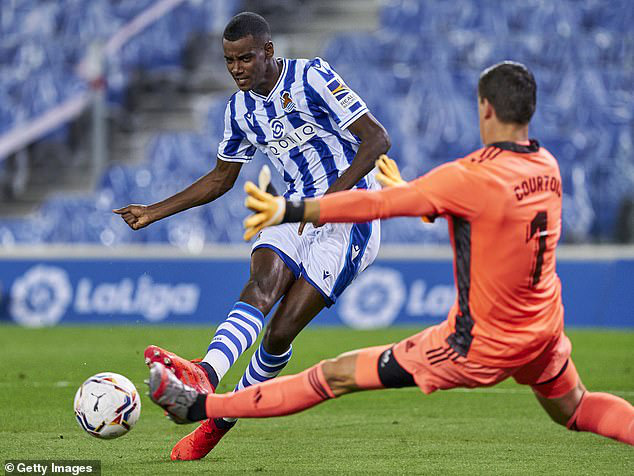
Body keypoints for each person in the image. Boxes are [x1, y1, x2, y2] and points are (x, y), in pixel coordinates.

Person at [147, 61, 634, 447]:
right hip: (544, 334)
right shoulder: (547, 167)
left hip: (477, 343)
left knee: (332, 376)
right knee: (577, 408)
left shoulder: (467, 176)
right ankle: (209, 379)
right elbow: (484, 214)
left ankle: (201, 408)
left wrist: (288, 207)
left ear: (485, 109)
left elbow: (376, 201)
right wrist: (424, 201)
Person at [113, 12, 389, 460]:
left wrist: (331, 201)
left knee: (279, 335)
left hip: (349, 216)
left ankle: (217, 422)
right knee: (261, 285)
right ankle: (205, 374)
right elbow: (221, 179)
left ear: (268, 52)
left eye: (245, 58)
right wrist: (154, 211)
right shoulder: (239, 110)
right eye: (228, 61)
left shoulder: (312, 77)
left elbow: (376, 140)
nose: (236, 68)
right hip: (291, 208)